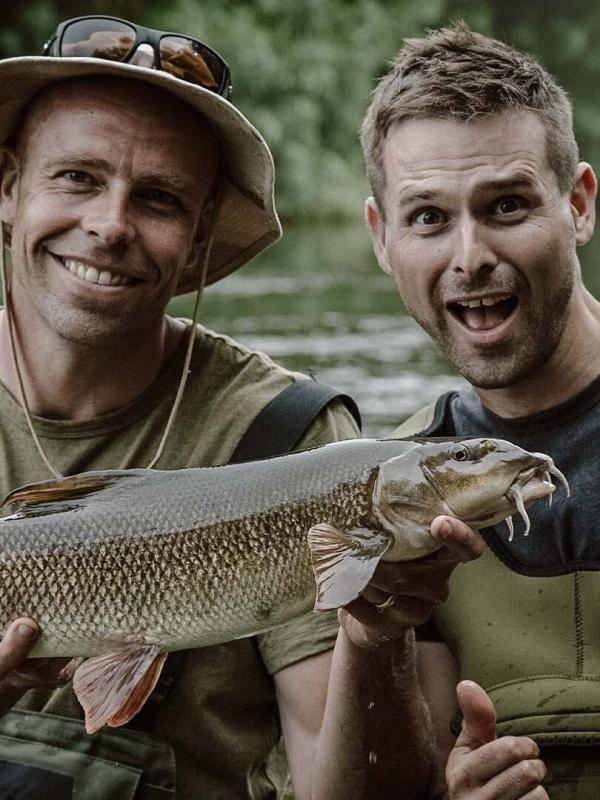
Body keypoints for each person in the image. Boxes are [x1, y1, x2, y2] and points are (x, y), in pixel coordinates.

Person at [0, 14, 478, 800]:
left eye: (157, 198)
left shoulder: (295, 442)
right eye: (78, 178)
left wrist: (374, 637)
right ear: (11, 187)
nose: (110, 225)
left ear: (198, 235)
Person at [362, 20, 600, 800]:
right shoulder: (389, 487)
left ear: (579, 206)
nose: (469, 258)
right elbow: (410, 773)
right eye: (428, 217)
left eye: (505, 206)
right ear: (382, 237)